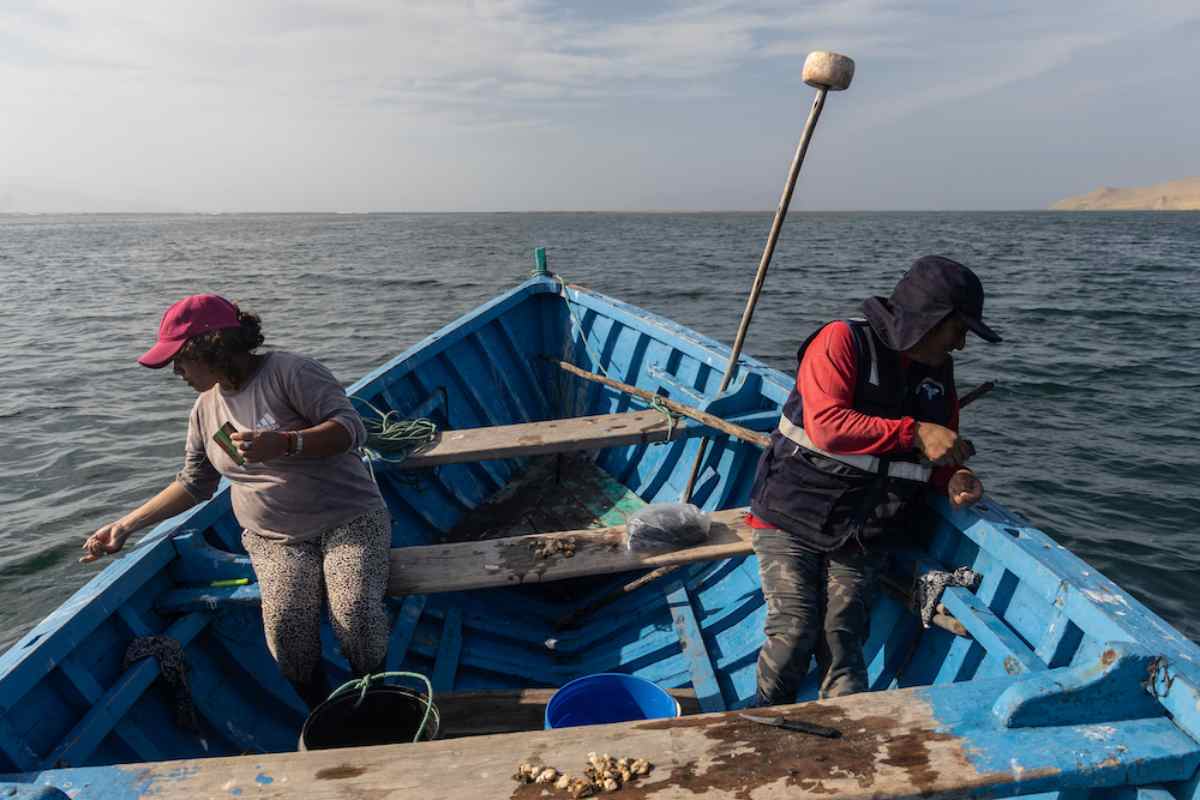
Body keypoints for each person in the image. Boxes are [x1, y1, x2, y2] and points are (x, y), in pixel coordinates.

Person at [81, 294, 390, 710]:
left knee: (354, 613)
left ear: (209, 349)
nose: (176, 372)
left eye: (180, 360)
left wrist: (287, 442)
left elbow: (352, 429)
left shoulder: (291, 373)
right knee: (287, 630)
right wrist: (126, 524)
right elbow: (194, 483)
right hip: (274, 538)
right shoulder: (204, 410)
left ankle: (377, 697)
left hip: (349, 520)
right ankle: (325, 710)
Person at [747, 255, 1000, 706]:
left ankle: (847, 726)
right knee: (795, 628)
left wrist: (954, 475)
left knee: (842, 640)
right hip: (791, 516)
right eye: (958, 330)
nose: (961, 345)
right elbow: (827, 425)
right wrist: (915, 431)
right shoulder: (841, 341)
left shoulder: (939, 372)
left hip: (864, 532)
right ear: (930, 320)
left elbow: (938, 450)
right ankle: (763, 713)